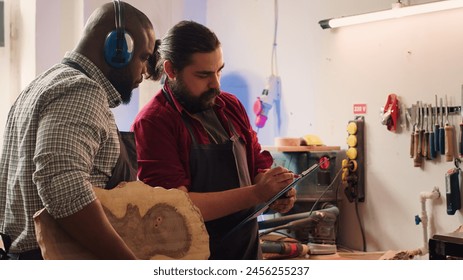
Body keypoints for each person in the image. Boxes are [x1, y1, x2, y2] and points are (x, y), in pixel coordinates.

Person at [0, 1, 156, 260]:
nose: (144, 71)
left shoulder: (42, 84)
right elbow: (65, 187)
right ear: (118, 49)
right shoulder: (82, 91)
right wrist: (128, 264)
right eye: (143, 57)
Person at [132, 20, 296, 260]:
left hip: (247, 254)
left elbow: (256, 164)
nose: (216, 85)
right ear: (171, 70)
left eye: (219, 70)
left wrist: (275, 191)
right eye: (204, 75)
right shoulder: (154, 122)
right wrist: (257, 193)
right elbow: (176, 208)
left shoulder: (229, 106)